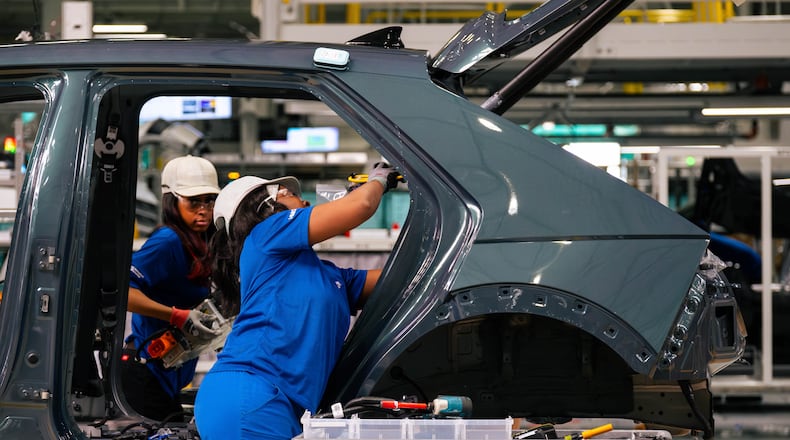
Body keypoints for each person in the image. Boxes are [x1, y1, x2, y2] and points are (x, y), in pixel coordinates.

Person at [194, 163, 402, 440]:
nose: (304, 201)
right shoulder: (264, 236)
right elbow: (362, 205)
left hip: (280, 405)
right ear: (264, 206)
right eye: (288, 193)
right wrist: (378, 181)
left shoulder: (329, 276)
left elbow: (400, 280)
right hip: (249, 395)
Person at [121, 155, 222, 421]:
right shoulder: (167, 242)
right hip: (144, 375)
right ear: (172, 201)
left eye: (209, 201)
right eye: (194, 201)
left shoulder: (202, 243)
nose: (203, 209)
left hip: (167, 375)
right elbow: (124, 293)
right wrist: (176, 315)